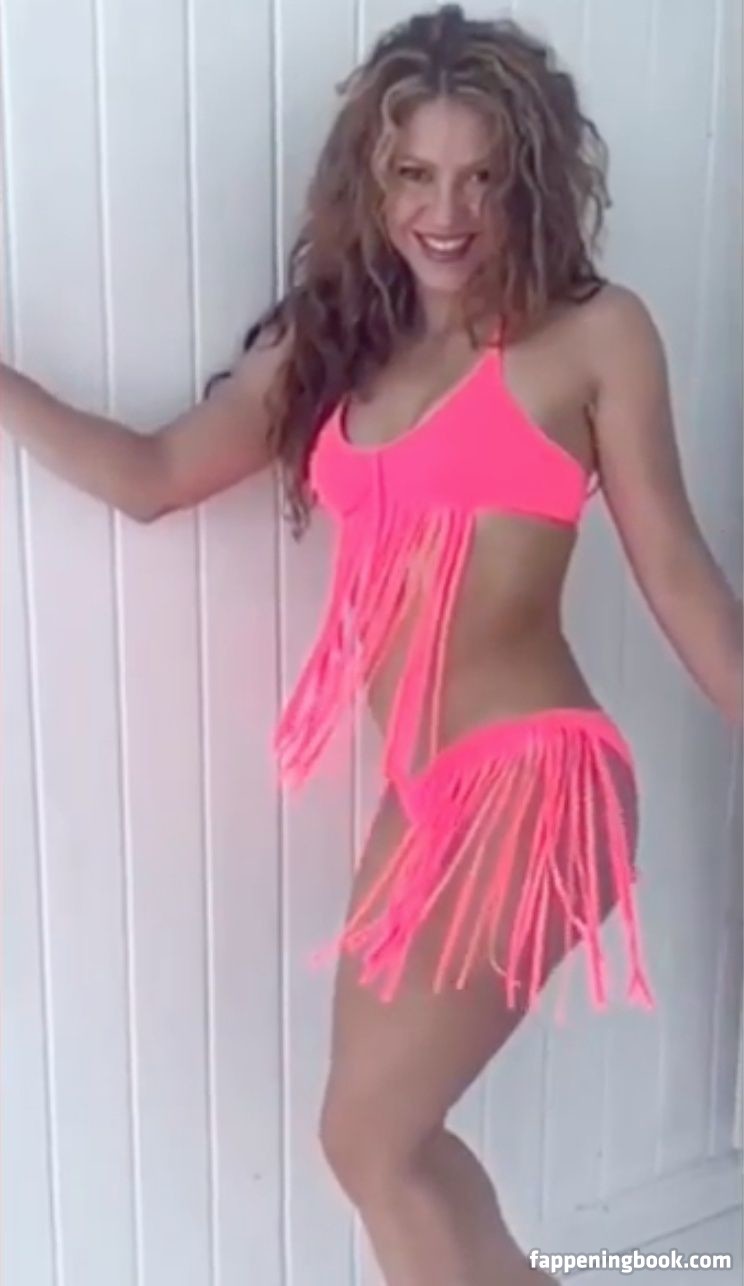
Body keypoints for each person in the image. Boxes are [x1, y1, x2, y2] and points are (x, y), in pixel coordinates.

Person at [2, 6, 741, 1284]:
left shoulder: (593, 334)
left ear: (531, 182)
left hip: (534, 775)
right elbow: (153, 475)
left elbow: (676, 568)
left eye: (482, 178)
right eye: (414, 173)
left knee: (370, 1133)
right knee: (381, 1147)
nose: (447, 212)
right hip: (424, 795)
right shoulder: (334, 345)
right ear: (372, 177)